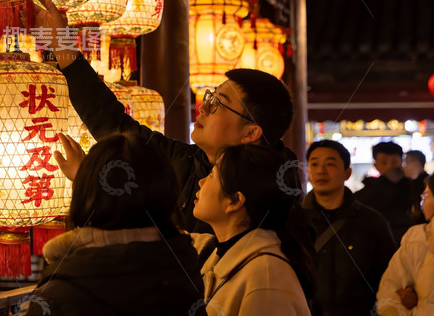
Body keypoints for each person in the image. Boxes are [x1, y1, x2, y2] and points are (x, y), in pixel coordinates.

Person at [34, 0, 296, 233]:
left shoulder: (271, 207)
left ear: (250, 133)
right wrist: (61, 44)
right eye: (210, 96)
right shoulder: (188, 162)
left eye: (218, 103)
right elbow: (113, 123)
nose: (202, 107)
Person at [24, 133, 204, 316]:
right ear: (167, 191)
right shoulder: (186, 272)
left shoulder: (57, 296)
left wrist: (88, 180)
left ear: (82, 197)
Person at [193, 144, 313, 315]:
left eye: (212, 175)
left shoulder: (266, 279)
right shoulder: (217, 251)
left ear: (234, 201)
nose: (201, 181)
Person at [303, 140, 396, 316]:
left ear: (347, 173)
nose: (321, 170)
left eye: (330, 164)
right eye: (314, 164)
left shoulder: (371, 221)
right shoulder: (294, 220)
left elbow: (389, 276)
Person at [377, 175, 434, 315]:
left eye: (426, 196)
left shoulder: (417, 240)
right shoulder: (416, 240)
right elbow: (390, 290)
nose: (422, 203)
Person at [356, 141, 415, 242]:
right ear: (376, 165)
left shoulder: (416, 189)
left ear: (402, 162)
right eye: (384, 162)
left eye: (394, 162)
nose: (389, 166)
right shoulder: (364, 195)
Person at [404, 150, 429, 225]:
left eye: (405, 163)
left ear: (416, 163)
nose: (403, 167)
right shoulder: (427, 180)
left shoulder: (419, 183)